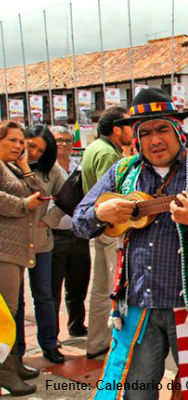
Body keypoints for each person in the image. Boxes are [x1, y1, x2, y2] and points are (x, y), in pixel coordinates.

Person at [72, 88, 188, 399]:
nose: (155, 140)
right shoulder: (123, 171)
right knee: (135, 393)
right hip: (138, 305)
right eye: (146, 132)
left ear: (178, 130)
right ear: (136, 138)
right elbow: (79, 222)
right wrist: (102, 211)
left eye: (163, 128)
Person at [79, 106, 133, 360]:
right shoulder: (109, 155)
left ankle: (96, 342)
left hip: (102, 230)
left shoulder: (94, 149)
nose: (132, 131)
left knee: (100, 288)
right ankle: (118, 342)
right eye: (128, 125)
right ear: (116, 129)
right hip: (111, 229)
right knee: (116, 287)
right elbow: (111, 194)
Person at [14, 125, 67, 365]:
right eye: (30, 145)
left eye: (40, 150)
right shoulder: (7, 165)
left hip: (41, 240)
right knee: (14, 298)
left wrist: (49, 221)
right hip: (11, 241)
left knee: (44, 295)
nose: (33, 152)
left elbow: (68, 197)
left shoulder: (51, 170)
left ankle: (49, 343)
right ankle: (16, 350)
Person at [0, 120, 45, 396]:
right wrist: (24, 205)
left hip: (17, 250)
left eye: (21, 141)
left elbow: (37, 188)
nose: (18, 146)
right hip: (3, 249)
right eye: (12, 140)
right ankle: (5, 372)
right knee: (6, 314)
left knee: (14, 310)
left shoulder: (13, 167)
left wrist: (26, 166)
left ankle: (14, 363)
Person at [49, 127, 91, 339]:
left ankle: (76, 324)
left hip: (77, 234)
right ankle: (51, 333)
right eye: (58, 140)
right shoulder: (46, 169)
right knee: (52, 288)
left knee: (79, 283)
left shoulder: (78, 167)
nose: (63, 144)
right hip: (54, 234)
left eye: (67, 140)